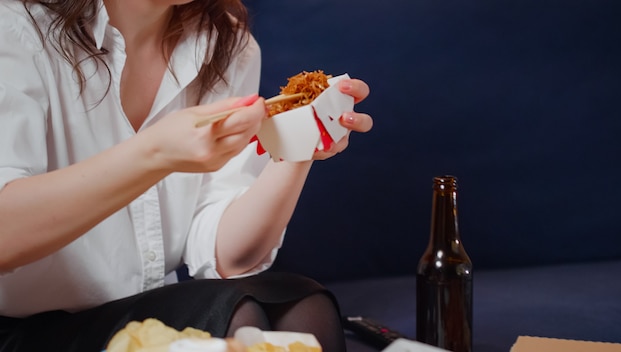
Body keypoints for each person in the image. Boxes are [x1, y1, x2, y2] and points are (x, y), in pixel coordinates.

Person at [0, 0, 373, 351]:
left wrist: (299, 142)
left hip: (134, 314)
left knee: (301, 305)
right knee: (235, 315)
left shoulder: (226, 42)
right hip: (17, 330)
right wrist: (155, 154)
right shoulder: (16, 28)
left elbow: (229, 255)